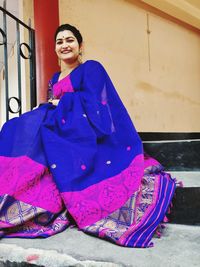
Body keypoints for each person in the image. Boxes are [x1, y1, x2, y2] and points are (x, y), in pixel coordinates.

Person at [0, 24, 176, 248]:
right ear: (55, 48)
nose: (65, 45)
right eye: (59, 41)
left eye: (70, 40)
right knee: (15, 127)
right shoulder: (54, 78)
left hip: (84, 133)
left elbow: (97, 106)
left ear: (80, 46)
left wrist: (61, 104)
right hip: (60, 130)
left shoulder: (91, 69)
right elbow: (54, 109)